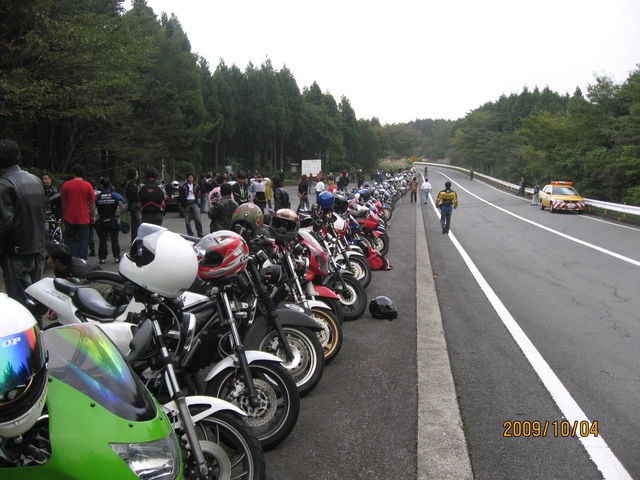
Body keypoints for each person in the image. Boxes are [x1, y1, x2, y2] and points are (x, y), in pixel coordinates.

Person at [0, 139, 47, 305]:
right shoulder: (35, 180)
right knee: (36, 300)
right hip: (38, 249)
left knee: (20, 303)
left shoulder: (4, 185)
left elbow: (4, 224)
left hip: (16, 254)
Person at [60, 164, 96, 260]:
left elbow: (63, 201)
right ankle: (82, 260)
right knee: (83, 241)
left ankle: (74, 259)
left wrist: (64, 213)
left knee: (70, 240)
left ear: (73, 173)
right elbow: (92, 203)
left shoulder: (66, 185)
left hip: (70, 217)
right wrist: (93, 215)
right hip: (84, 218)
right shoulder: (88, 185)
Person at [95, 177, 126, 264]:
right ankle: (116, 257)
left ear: (101, 185)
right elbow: (124, 204)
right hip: (113, 219)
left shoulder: (97, 196)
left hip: (101, 221)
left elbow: (91, 205)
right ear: (109, 185)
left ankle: (102, 258)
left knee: (102, 240)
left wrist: (96, 216)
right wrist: (118, 213)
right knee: (114, 239)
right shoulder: (115, 195)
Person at [124, 168, 140, 243]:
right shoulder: (131, 185)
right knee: (136, 224)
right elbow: (133, 196)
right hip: (134, 205)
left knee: (135, 224)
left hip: (134, 205)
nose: (137, 175)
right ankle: (135, 240)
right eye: (136, 174)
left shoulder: (132, 184)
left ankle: (135, 240)